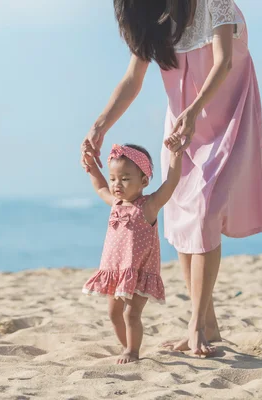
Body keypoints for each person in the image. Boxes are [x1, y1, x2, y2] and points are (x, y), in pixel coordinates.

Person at [81, 0, 262, 357]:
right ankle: (208, 323)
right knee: (184, 220)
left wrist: (193, 111)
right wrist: (99, 126)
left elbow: (224, 62)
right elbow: (132, 80)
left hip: (222, 119)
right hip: (182, 128)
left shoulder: (216, 4)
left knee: (205, 212)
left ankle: (196, 326)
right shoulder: (155, 18)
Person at [81, 143, 182, 364]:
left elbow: (171, 183)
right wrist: (91, 165)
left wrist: (175, 156)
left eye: (125, 178)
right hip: (115, 272)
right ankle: (126, 346)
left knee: (130, 314)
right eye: (114, 178)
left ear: (144, 181)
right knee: (113, 314)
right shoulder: (116, 203)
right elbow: (100, 187)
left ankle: (133, 352)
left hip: (140, 272)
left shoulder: (149, 205)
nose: (117, 184)